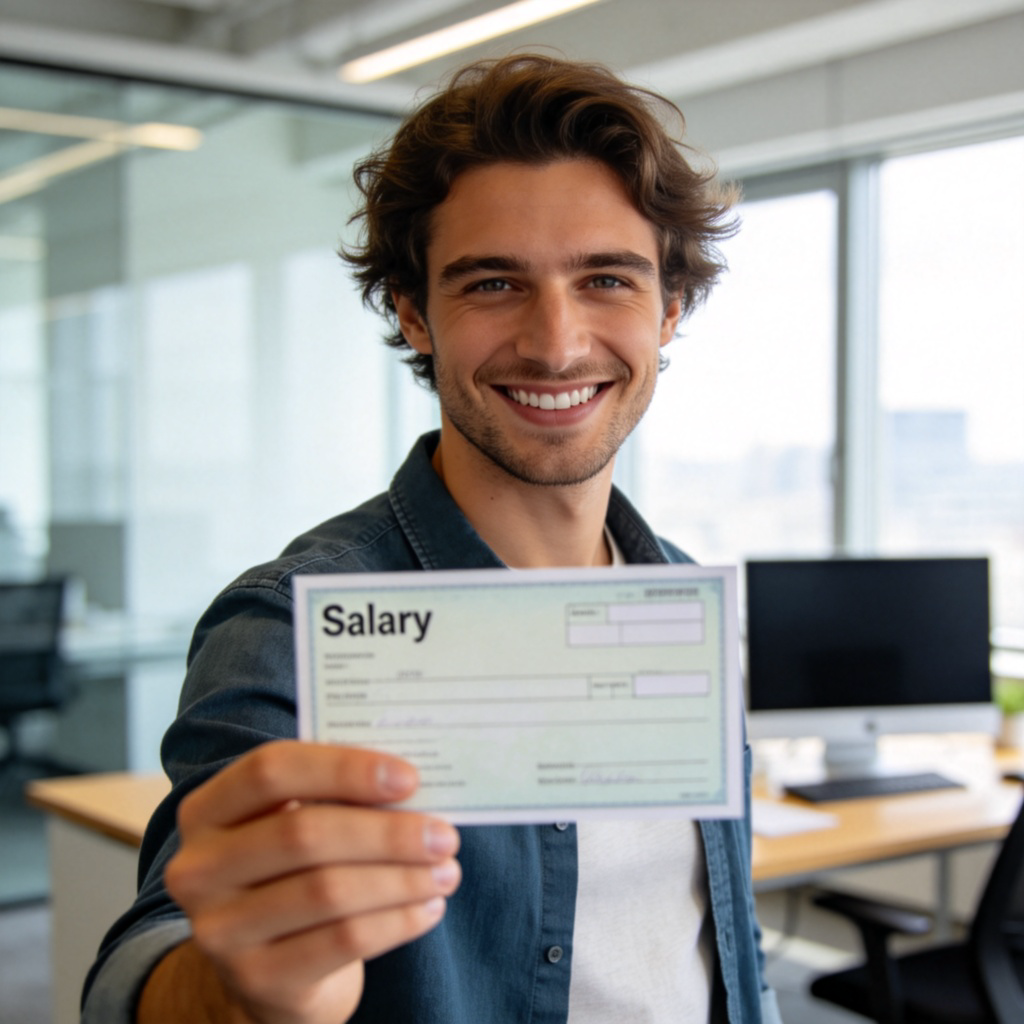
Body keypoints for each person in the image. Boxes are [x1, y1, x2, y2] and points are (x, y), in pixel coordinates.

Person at [82, 54, 782, 1024]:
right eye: (493, 282)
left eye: (606, 279)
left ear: (667, 309)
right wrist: (238, 991)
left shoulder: (678, 604)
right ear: (415, 313)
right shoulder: (287, 625)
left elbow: (715, 941)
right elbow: (157, 953)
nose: (556, 341)